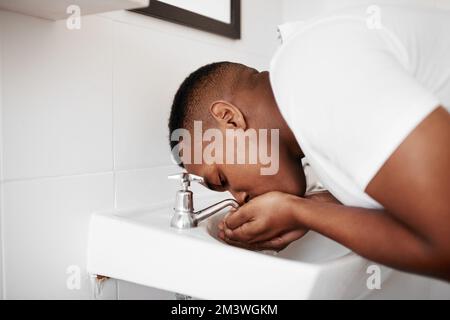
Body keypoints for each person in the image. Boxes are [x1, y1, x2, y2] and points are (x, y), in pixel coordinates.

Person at [167, 5, 450, 281]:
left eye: (221, 178)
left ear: (229, 118)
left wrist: (301, 212)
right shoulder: (309, 88)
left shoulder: (311, 76)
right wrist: (313, 207)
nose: (238, 198)